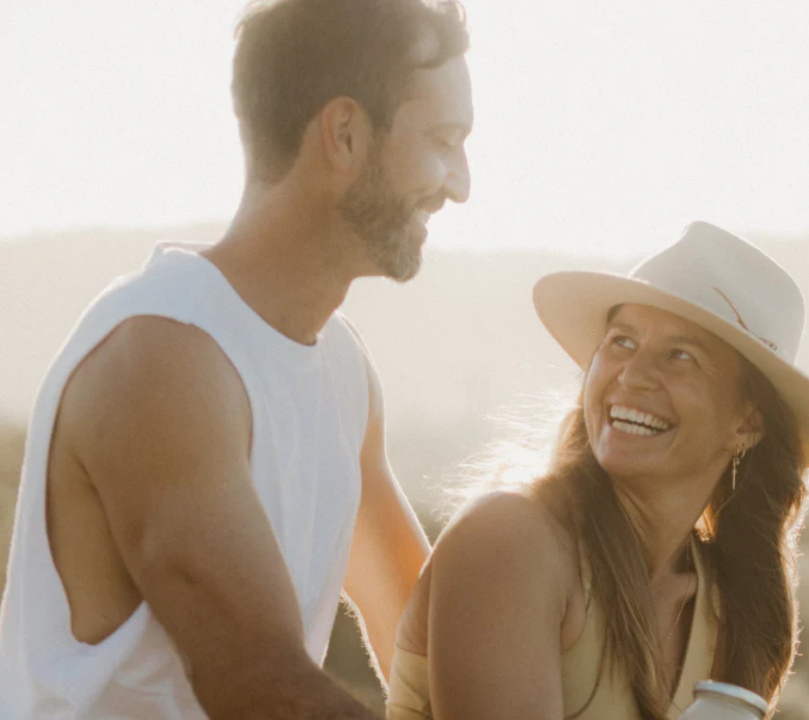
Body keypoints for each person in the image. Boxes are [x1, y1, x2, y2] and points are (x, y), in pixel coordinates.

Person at [0, 0, 472, 717]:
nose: (460, 184)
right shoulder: (163, 357)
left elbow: (422, 635)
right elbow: (259, 687)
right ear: (344, 134)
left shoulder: (342, 369)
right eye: (442, 140)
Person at [387, 221, 809, 719]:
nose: (632, 375)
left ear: (747, 420)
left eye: (680, 356)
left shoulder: (731, 607)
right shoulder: (511, 541)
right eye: (622, 342)